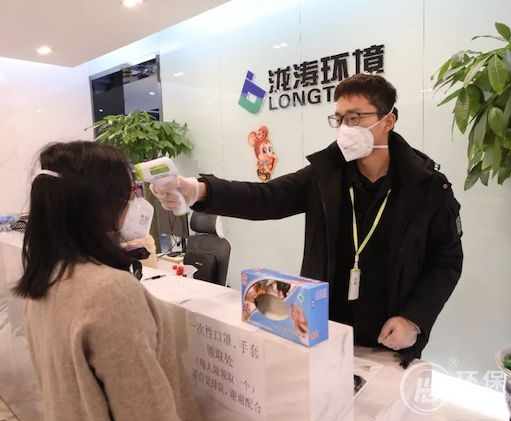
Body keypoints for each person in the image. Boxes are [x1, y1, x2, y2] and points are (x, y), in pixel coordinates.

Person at [153, 73, 463, 367]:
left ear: (388, 121)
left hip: (390, 338)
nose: (345, 128)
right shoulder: (325, 175)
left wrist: (414, 318)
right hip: (323, 329)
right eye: (339, 119)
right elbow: (267, 197)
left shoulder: (427, 187)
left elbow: (446, 260)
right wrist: (199, 190)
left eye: (355, 117)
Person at [13, 141, 201, 421]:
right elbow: (146, 413)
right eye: (130, 193)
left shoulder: (44, 279)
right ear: (104, 205)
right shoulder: (110, 292)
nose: (135, 203)